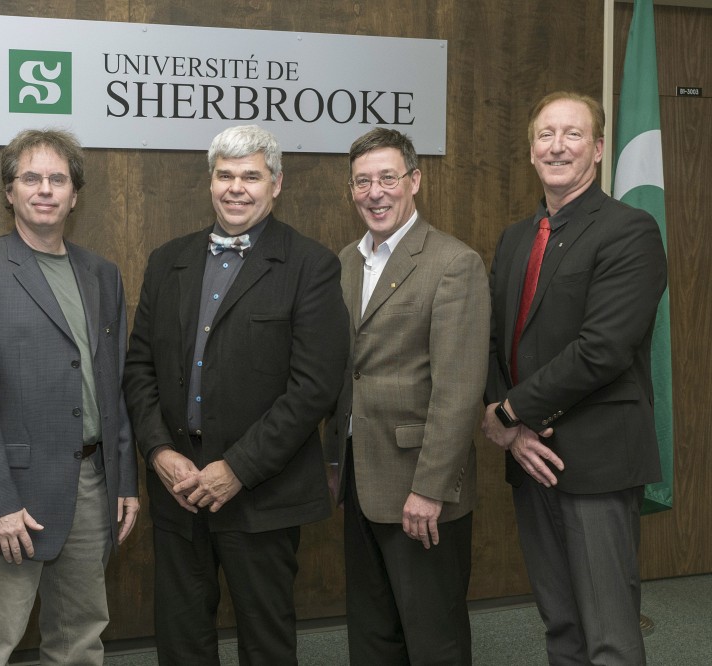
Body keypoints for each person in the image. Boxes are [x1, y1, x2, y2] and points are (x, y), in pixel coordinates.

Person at [123, 124, 349, 665]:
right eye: (225, 175)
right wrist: (159, 452)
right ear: (210, 182)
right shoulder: (167, 261)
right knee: (181, 641)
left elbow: (313, 388)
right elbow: (139, 369)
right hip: (178, 488)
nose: (236, 188)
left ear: (276, 185)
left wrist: (238, 468)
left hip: (262, 492)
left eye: (251, 176)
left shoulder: (310, 266)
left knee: (266, 643)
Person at [0, 128, 139, 666]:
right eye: (31, 178)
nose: (45, 189)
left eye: (58, 179)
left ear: (76, 194)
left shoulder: (103, 275)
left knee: (80, 641)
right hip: (13, 498)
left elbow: (114, 383)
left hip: (92, 487)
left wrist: (123, 478)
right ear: (10, 192)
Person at [482, 91, 667, 665]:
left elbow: (602, 350)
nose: (557, 146)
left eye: (573, 134)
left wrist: (511, 413)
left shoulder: (630, 231)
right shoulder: (517, 236)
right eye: (546, 134)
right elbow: (494, 342)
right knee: (561, 625)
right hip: (530, 458)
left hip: (597, 461)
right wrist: (508, 428)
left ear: (599, 148)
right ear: (531, 150)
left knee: (609, 634)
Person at [324, 128, 490, 665]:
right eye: (362, 181)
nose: (375, 192)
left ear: (415, 181)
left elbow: (459, 390)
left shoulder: (452, 263)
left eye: (387, 178)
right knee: (372, 633)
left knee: (433, 637)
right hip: (360, 478)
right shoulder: (346, 260)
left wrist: (431, 489)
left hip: (420, 487)